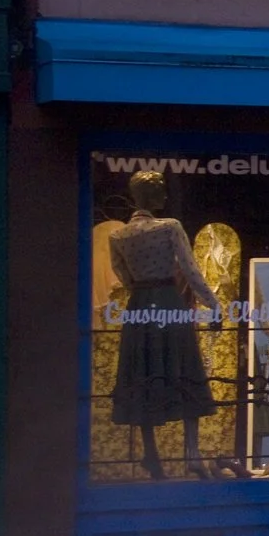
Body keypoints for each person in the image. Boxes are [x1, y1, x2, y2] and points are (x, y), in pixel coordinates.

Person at [108, 171, 224, 479]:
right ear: (146, 194)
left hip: (141, 306)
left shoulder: (118, 236)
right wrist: (214, 304)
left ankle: (151, 454)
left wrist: (141, 290)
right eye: (159, 189)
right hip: (169, 301)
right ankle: (193, 453)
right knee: (184, 368)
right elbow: (190, 267)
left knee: (145, 371)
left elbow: (123, 274)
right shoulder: (170, 227)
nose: (165, 195)